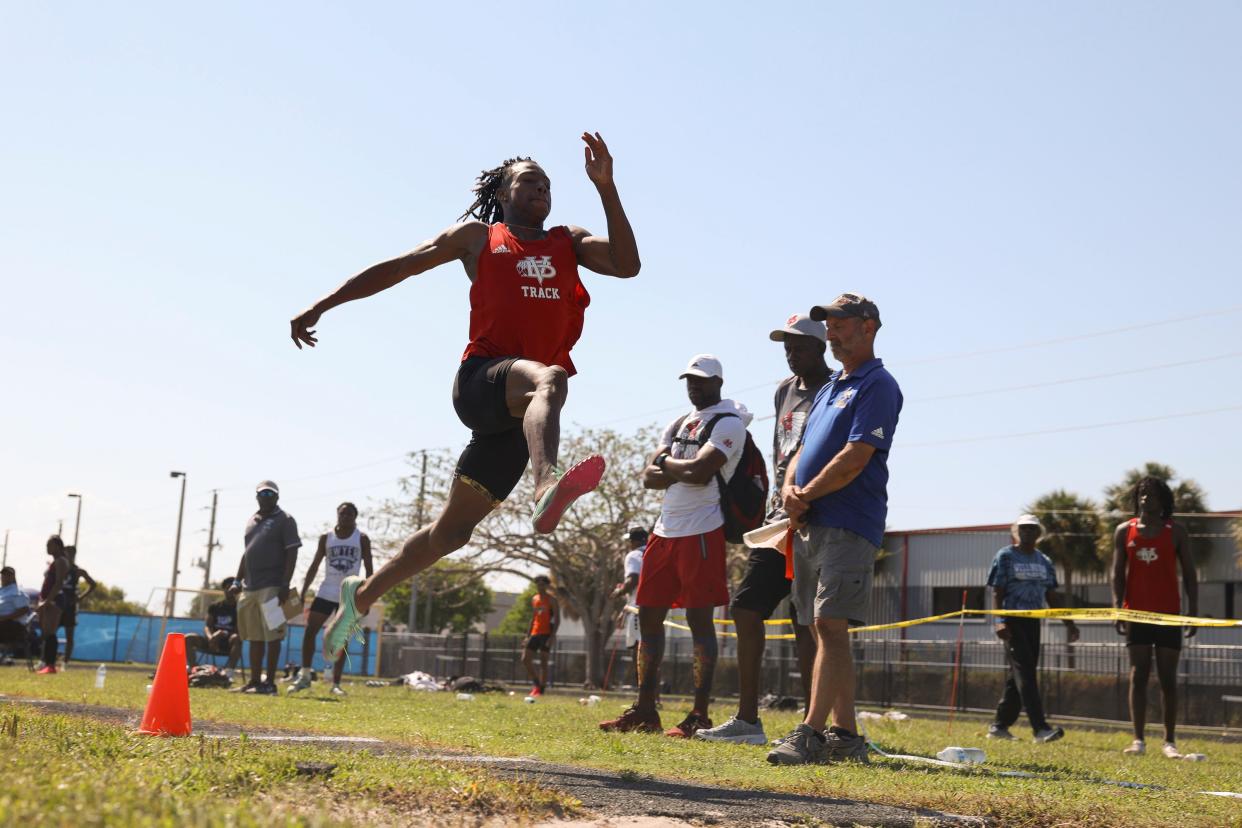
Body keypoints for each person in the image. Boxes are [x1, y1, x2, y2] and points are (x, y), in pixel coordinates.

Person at [289, 134, 641, 662]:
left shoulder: (568, 241)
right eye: (528, 180)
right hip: (483, 380)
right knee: (552, 379)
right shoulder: (480, 237)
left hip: (519, 421)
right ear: (502, 192)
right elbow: (400, 266)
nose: (541, 188)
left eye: (547, 182)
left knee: (451, 533)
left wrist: (607, 189)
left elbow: (627, 264)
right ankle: (548, 485)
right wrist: (324, 303)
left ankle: (358, 598)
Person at [767, 294, 902, 765]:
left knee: (829, 623)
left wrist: (806, 495)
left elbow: (854, 457)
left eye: (842, 323)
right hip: (811, 523)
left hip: (849, 521)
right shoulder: (829, 387)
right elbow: (801, 450)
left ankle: (809, 733)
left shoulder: (878, 385)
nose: (832, 332)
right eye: (829, 324)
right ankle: (845, 737)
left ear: (869, 327)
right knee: (825, 629)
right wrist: (789, 489)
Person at [599, 355, 750, 738]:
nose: (693, 386)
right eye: (689, 380)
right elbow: (647, 478)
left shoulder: (729, 422)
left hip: (703, 531)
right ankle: (646, 710)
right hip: (663, 532)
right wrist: (674, 467)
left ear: (718, 382)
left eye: (701, 380)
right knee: (649, 617)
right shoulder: (679, 422)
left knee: (700, 623)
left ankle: (699, 713)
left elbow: (700, 473)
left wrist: (666, 463)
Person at [697, 314, 828, 745]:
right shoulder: (783, 391)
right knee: (746, 607)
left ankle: (814, 724)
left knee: (806, 620)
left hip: (817, 517)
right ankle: (748, 720)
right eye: (786, 347)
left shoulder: (836, 390)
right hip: (777, 520)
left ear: (820, 348)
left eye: (800, 346)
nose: (792, 354)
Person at [1112, 476, 1198, 758]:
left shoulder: (1176, 532)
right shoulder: (1124, 531)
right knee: (1138, 675)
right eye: (1142, 494)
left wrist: (1193, 610)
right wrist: (1117, 608)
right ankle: (1138, 740)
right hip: (1136, 613)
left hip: (1168, 614)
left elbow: (1189, 573)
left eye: (1152, 494)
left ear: (1164, 500)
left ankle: (1169, 741)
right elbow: (1116, 574)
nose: (1146, 498)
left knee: (1167, 678)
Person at [986, 514, 1078, 743]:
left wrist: (1068, 622)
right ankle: (1040, 728)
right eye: (1023, 528)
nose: (1027, 532)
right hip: (1012, 621)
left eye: (1032, 529)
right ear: (1017, 531)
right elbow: (997, 591)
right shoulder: (1006, 556)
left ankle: (999, 726)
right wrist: (999, 621)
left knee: (1018, 676)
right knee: (1025, 672)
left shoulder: (1044, 561)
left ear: (1039, 534)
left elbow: (1051, 595)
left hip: (1034, 622)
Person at [290, 503, 373, 695]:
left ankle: (335, 683)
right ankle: (304, 675)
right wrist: (303, 592)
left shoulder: (361, 539)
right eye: (342, 513)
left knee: (341, 639)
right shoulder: (326, 538)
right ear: (337, 515)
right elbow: (315, 565)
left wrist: (368, 596)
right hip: (326, 592)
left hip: (348, 594)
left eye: (349, 514)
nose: (345, 517)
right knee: (310, 631)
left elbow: (369, 569)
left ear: (355, 516)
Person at [233, 481, 301, 695]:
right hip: (250, 587)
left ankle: (269, 683)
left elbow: (292, 552)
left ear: (277, 496)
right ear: (256, 496)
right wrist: (237, 580)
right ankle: (254, 681)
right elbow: (248, 552)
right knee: (254, 636)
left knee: (273, 636)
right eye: (262, 493)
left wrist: (285, 584)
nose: (266, 496)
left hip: (272, 585)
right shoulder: (252, 520)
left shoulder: (285, 520)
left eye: (270, 493)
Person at [609, 527, 648, 687]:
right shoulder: (655, 552)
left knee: (639, 652)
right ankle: (652, 696)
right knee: (650, 649)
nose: (629, 544)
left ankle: (644, 695)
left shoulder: (633, 555)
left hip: (639, 610)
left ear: (636, 541)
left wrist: (618, 592)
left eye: (630, 541)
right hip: (658, 606)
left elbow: (632, 580)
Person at [185, 577, 242, 670]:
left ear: (237, 591)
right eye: (227, 588)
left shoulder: (240, 608)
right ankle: (194, 669)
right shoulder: (215, 607)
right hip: (211, 641)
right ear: (223, 589)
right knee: (188, 638)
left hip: (228, 643)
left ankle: (228, 672)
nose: (230, 591)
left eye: (233, 589)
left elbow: (238, 630)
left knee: (237, 639)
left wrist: (221, 634)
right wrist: (211, 638)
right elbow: (207, 626)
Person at [35, 536, 70, 674]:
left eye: (49, 545)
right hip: (48, 599)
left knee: (50, 632)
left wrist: (48, 601)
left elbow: (59, 583)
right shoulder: (55, 561)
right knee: (46, 632)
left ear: (57, 546)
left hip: (54, 600)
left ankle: (50, 665)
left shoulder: (61, 561)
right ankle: (46, 663)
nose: (47, 548)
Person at [522, 575, 560, 696]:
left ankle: (541, 690)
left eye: (543, 584)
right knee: (525, 659)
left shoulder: (552, 600)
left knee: (544, 662)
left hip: (546, 633)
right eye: (538, 584)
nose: (540, 586)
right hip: (535, 633)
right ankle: (537, 683)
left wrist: (552, 636)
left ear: (547, 585)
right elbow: (533, 618)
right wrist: (527, 636)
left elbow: (557, 620)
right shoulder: (535, 599)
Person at [58, 545, 96, 664]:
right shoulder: (59, 569)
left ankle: (65, 662)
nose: (67, 556)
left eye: (70, 553)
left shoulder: (78, 571)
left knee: (69, 635)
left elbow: (93, 584)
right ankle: (47, 660)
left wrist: (80, 598)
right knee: (50, 632)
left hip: (70, 605)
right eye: (66, 553)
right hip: (58, 604)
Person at [0, 566, 33, 656]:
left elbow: (24, 610)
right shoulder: (1, 591)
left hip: (13, 627)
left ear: (13, 577)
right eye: (3, 574)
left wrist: (4, 618)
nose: (4, 577)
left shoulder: (17, 592)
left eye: (7, 575)